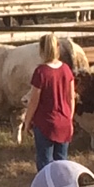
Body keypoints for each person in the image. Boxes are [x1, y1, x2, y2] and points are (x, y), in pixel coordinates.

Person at [21, 33, 75, 171]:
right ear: (57, 48)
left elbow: (34, 101)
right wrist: (69, 118)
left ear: (41, 50)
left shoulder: (41, 72)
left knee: (45, 163)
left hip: (45, 123)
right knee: (62, 163)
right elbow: (71, 97)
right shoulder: (66, 70)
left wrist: (27, 122)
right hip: (64, 122)